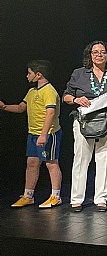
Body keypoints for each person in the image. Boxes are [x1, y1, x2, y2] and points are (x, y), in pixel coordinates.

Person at [63, 41, 107, 212]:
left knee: (104, 160)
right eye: (95, 52)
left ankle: (101, 199)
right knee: (81, 160)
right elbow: (66, 96)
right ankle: (76, 199)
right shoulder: (79, 74)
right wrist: (76, 100)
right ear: (89, 55)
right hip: (84, 122)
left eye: (102, 52)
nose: (99, 55)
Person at [2, 60, 63, 209]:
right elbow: (20, 108)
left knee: (51, 163)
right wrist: (4, 107)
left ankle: (56, 196)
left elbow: (50, 113)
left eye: (29, 73)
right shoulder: (31, 92)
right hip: (33, 133)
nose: (27, 76)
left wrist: (43, 135)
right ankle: (28, 196)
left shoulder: (49, 91)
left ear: (38, 74)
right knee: (32, 163)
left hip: (48, 134)